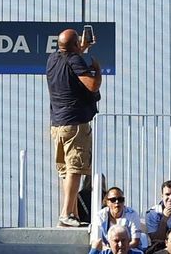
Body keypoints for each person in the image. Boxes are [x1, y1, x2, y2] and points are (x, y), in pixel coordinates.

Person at [47, 26, 102, 228]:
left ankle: (72, 214)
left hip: (57, 124)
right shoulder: (75, 60)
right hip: (75, 124)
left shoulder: (52, 59)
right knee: (75, 168)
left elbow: (70, 59)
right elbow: (92, 85)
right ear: (75, 44)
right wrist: (97, 69)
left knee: (65, 170)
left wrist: (81, 47)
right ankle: (67, 213)